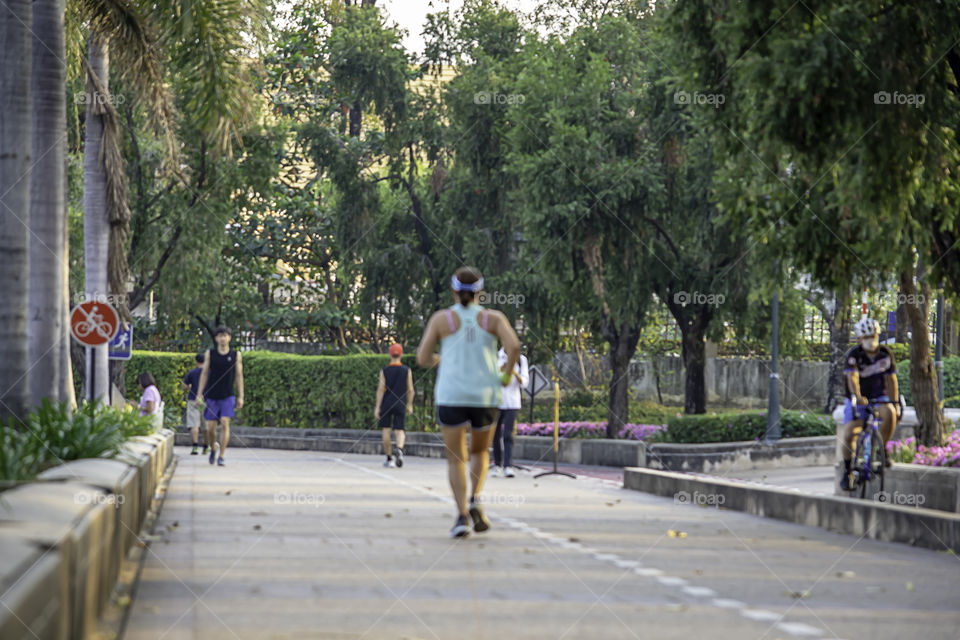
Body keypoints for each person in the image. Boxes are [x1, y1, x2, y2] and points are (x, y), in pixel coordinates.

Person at [417, 266, 521, 538]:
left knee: (455, 459)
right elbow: (515, 346)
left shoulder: (442, 320)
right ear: (480, 293)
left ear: (453, 291)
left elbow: (422, 358)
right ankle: (475, 498)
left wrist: (441, 360)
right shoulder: (493, 318)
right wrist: (507, 374)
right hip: (485, 396)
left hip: (451, 395)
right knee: (480, 453)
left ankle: (461, 515)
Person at [839, 317, 900, 491]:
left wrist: (894, 402)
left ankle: (881, 449)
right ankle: (848, 470)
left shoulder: (885, 354)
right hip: (857, 398)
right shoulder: (854, 355)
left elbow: (891, 379)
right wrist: (858, 396)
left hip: (879, 396)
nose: (870, 340)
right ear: (859, 339)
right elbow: (853, 377)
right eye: (865, 337)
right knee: (849, 434)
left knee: (890, 413)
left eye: (872, 335)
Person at [197, 326, 244, 467]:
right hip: (212, 395)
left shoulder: (236, 355)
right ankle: (213, 447)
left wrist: (241, 396)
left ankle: (222, 455)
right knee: (211, 429)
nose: (223, 338)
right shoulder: (210, 354)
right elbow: (204, 374)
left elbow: (239, 376)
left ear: (229, 338)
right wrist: (200, 393)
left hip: (227, 395)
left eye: (225, 335)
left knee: (225, 423)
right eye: (220, 336)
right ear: (216, 339)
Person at [375, 343, 414, 468]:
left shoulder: (384, 371)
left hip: (387, 403)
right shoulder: (406, 370)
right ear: (401, 354)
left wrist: (377, 407)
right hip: (400, 403)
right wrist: (410, 404)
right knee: (400, 429)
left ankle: (389, 458)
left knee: (386, 430)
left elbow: (381, 389)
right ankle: (400, 449)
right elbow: (411, 390)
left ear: (389, 354)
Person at [492, 345, 529, 477]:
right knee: (495, 435)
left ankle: (508, 466)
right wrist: (501, 369)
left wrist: (514, 372)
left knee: (508, 434)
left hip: (513, 401)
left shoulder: (521, 359)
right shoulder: (496, 356)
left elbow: (525, 382)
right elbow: (490, 378)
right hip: (497, 401)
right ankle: (497, 465)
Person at [182, 353, 206, 455]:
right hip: (207, 400)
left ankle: (195, 446)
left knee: (194, 424)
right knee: (206, 425)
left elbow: (184, 387)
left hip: (193, 400)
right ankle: (206, 446)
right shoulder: (210, 372)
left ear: (196, 361)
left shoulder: (191, 373)